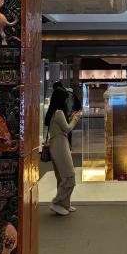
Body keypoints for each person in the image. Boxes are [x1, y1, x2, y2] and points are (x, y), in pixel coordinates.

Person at [45, 86, 82, 216]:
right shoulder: (59, 112)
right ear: (61, 100)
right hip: (60, 145)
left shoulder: (54, 112)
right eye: (66, 99)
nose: (67, 102)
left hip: (58, 144)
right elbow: (67, 128)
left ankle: (64, 204)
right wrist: (76, 119)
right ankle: (57, 202)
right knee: (69, 176)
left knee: (61, 177)